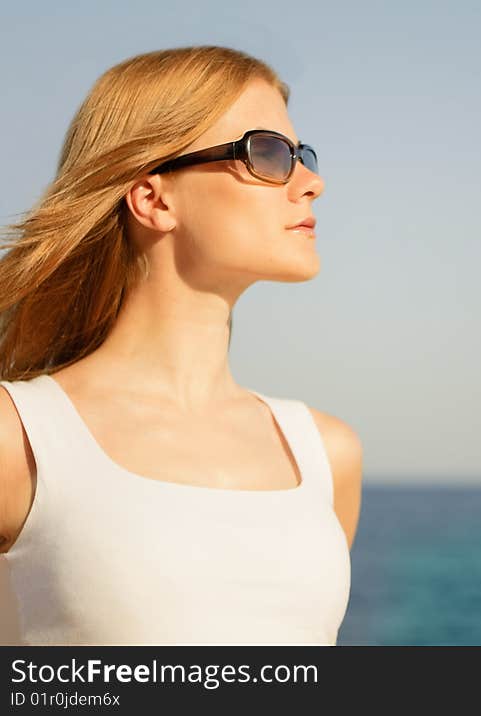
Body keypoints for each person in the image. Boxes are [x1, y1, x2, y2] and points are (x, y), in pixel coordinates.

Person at [0, 46, 363, 646]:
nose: (312, 183)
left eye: (301, 156)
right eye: (267, 153)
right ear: (154, 199)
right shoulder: (20, 439)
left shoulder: (326, 454)